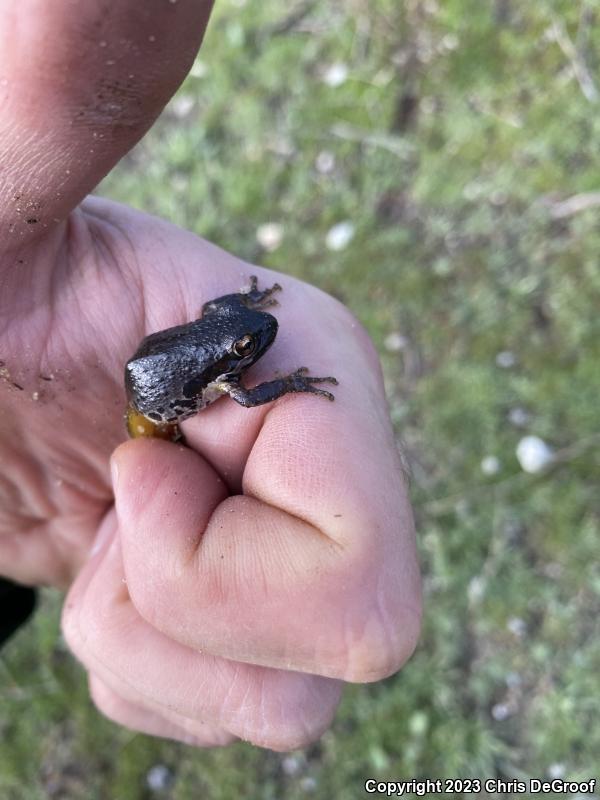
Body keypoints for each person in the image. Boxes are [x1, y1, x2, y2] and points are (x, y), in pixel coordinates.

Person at [0, 0, 421, 750]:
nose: (258, 346)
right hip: (158, 394)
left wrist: (246, 308)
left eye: (247, 346)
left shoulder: (227, 336)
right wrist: (288, 385)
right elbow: (243, 382)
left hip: (163, 366)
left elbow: (225, 319)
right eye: (244, 352)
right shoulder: (225, 378)